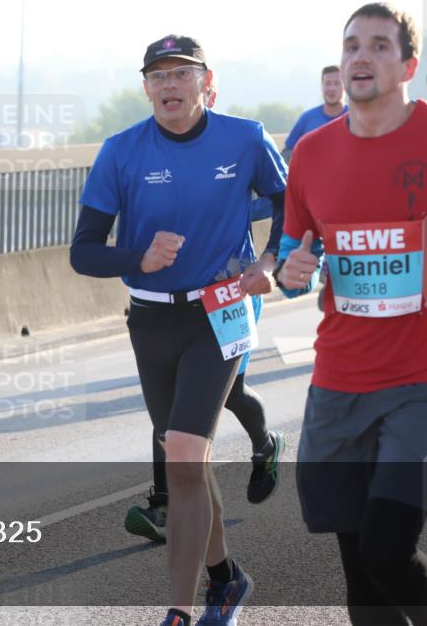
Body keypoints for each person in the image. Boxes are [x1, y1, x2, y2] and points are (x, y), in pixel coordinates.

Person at [275, 2, 427, 626]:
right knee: (360, 576)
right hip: (341, 381)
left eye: (377, 45)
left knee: (387, 549)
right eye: (350, 46)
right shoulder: (312, 153)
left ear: (407, 65)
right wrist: (292, 274)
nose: (360, 56)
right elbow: (297, 253)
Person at [71, 34, 287, 626]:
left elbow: (291, 203)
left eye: (181, 74)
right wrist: (136, 257)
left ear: (205, 81)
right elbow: (83, 252)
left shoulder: (245, 138)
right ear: (145, 88)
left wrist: (267, 263)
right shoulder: (120, 151)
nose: (169, 86)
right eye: (157, 77)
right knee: (187, 458)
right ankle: (227, 579)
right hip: (151, 318)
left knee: (186, 456)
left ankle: (179, 611)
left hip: (220, 310)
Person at [124, 73, 286, 546]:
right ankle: (165, 502)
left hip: (229, 292)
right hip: (170, 303)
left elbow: (283, 199)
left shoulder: (239, 146)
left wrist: (267, 259)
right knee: (177, 403)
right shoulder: (152, 158)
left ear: (209, 96)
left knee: (228, 392)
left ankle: (265, 445)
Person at [281, 65, 348, 163]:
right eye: (327, 83)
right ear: (322, 86)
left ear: (345, 87)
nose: (331, 88)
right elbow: (287, 154)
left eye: (337, 83)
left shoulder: (356, 118)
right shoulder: (307, 119)